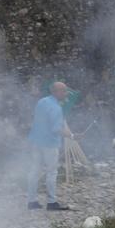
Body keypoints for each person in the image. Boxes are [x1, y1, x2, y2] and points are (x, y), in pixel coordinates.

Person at [27, 82, 74, 211]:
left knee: (34, 171)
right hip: (50, 143)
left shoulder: (42, 101)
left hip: (36, 140)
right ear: (56, 92)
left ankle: (32, 201)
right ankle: (51, 202)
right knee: (52, 172)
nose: (66, 93)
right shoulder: (56, 107)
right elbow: (56, 129)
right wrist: (72, 135)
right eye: (64, 91)